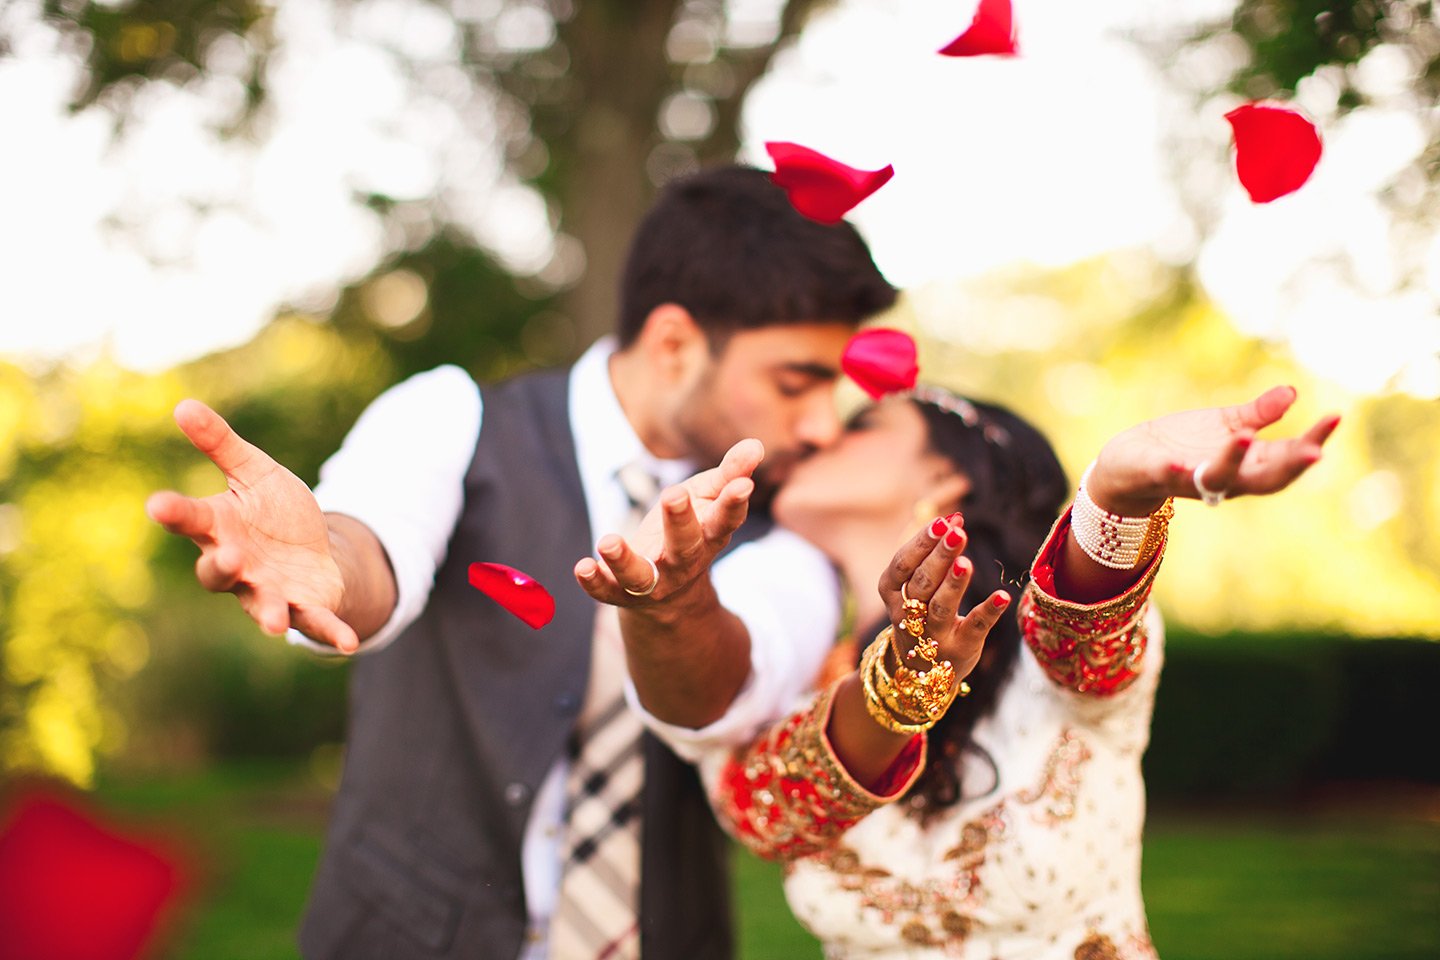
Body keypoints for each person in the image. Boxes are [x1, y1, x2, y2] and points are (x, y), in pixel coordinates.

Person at [145, 165, 898, 960]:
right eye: (795, 383)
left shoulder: (795, 519)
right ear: (674, 342)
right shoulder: (452, 417)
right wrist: (329, 562)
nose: (823, 425)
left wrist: (673, 607)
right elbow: (376, 543)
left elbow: (725, 693)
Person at [581, 383, 1338, 958]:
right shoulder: (782, 676)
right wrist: (897, 689)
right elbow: (771, 815)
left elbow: (1086, 621)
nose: (814, 439)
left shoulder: (1047, 659)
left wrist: (1115, 493)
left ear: (946, 480)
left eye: (861, 425)